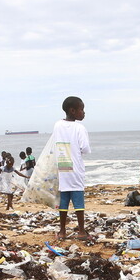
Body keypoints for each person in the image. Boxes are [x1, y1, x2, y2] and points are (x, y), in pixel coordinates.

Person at [53, 96, 91, 239]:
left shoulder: (57, 125)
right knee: (78, 200)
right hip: (76, 168)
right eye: (82, 109)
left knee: (64, 200)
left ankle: (62, 231)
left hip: (63, 166)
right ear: (73, 110)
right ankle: (81, 231)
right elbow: (85, 148)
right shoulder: (79, 127)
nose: (84, 113)